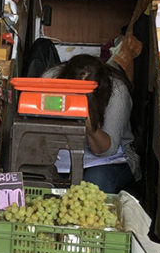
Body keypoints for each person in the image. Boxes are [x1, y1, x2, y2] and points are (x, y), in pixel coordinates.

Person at [43, 54, 141, 194]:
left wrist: (90, 127)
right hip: (62, 154)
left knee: (93, 187)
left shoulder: (117, 91)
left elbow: (106, 151)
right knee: (45, 184)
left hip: (107, 159)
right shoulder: (52, 78)